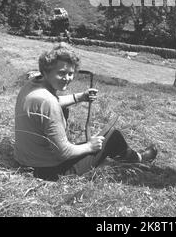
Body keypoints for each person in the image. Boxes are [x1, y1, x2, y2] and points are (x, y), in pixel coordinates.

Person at [14, 43, 157, 181]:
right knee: (113, 136)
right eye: (61, 73)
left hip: (26, 163)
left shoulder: (33, 87)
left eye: (71, 73)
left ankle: (117, 158)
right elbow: (64, 152)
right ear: (46, 71)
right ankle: (138, 158)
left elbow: (52, 103)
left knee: (92, 140)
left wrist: (80, 97)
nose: (67, 78)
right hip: (50, 171)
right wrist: (89, 146)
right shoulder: (48, 102)